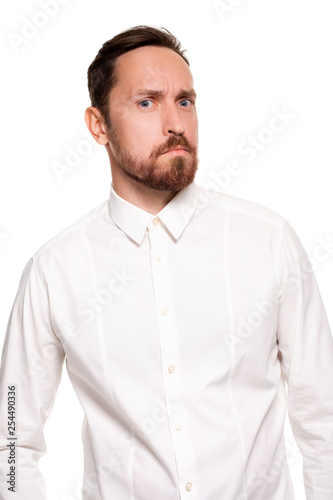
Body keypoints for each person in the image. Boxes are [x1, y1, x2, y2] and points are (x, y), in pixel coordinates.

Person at [0, 25, 332, 500]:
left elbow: (323, 416)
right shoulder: (55, 271)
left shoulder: (267, 241)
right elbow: (12, 438)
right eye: (146, 102)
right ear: (98, 126)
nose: (175, 121)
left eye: (185, 101)